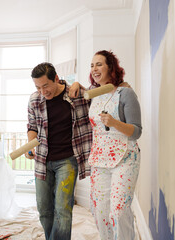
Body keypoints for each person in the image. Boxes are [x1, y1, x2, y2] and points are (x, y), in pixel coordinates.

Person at [71, 50, 142, 239]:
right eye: (92, 65)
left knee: (118, 211)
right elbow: (74, 92)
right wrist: (77, 84)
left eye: (99, 64)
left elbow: (137, 131)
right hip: (99, 160)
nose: (94, 68)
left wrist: (114, 123)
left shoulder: (126, 94)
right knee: (100, 212)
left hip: (125, 157)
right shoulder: (94, 94)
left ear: (111, 67)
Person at [25, 62, 92, 240]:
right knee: (44, 209)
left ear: (56, 78)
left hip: (67, 161)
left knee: (62, 208)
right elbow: (32, 126)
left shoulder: (75, 95)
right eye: (38, 87)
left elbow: (96, 94)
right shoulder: (34, 100)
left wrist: (79, 84)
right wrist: (30, 144)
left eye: (45, 85)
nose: (43, 91)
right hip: (42, 160)